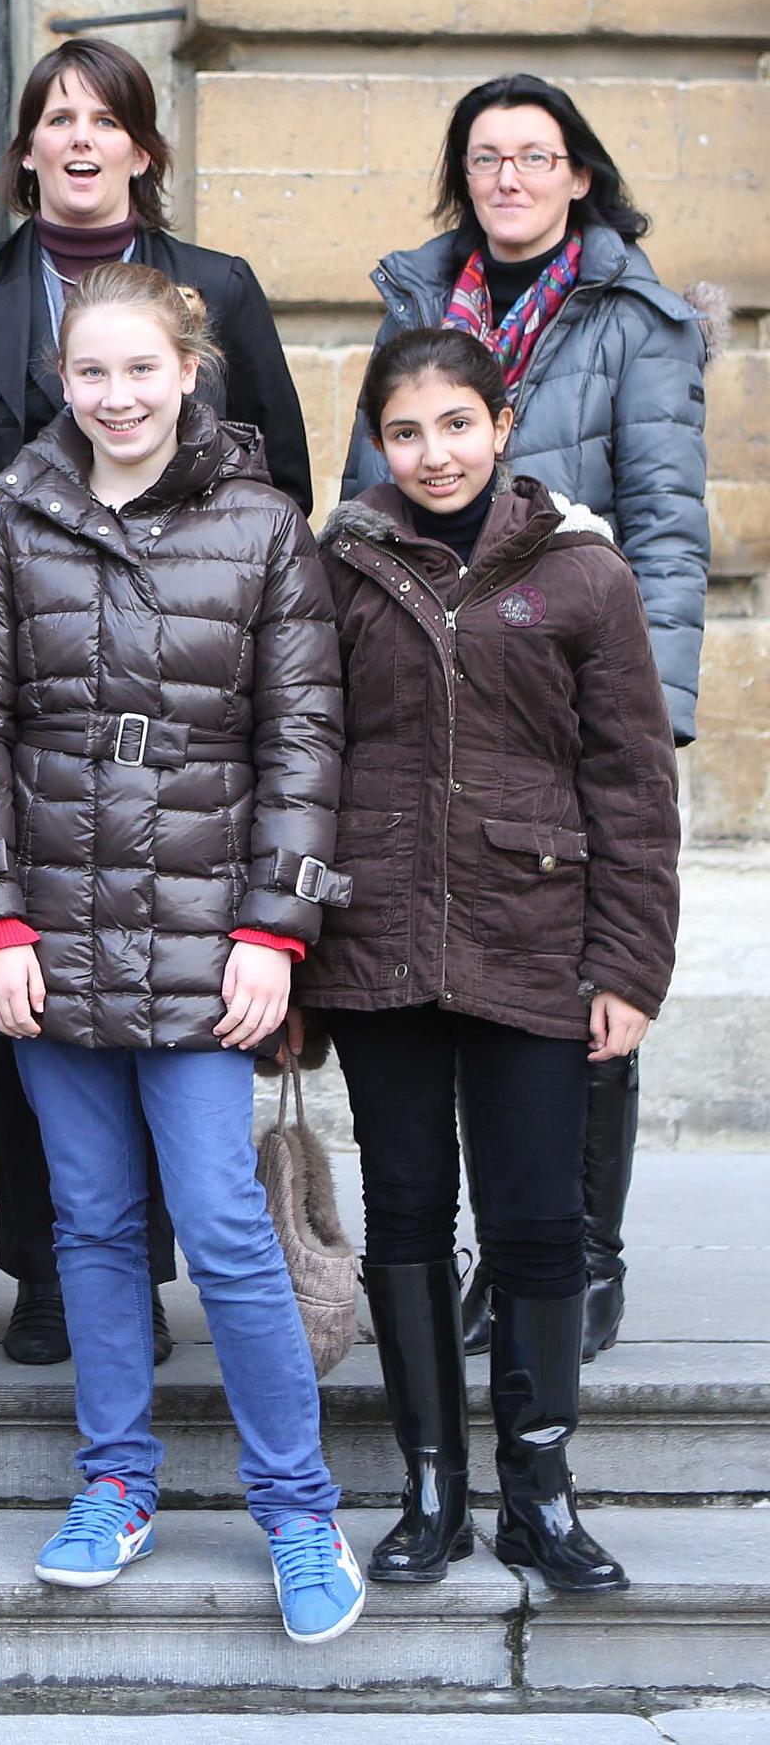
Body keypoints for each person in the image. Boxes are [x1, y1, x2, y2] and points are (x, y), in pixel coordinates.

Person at [0, 262, 362, 1646]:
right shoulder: (12, 517)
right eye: (90, 373)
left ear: (191, 371)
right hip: (48, 932)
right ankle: (114, 1480)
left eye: (139, 371)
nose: (115, 397)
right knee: (97, 1227)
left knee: (228, 1231)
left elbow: (303, 739)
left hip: (201, 926)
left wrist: (274, 928)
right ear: (62, 378)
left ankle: (298, 1508)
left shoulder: (261, 525)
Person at [0, 38, 312, 1368]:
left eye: (106, 119)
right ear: (24, 148)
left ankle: (156, 1264)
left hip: (190, 704)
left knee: (175, 1014)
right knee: (35, 995)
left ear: (144, 146)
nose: (79, 139)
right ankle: (54, 1264)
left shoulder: (223, 288)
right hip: (26, 677)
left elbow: (283, 494)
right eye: (55, 118)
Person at [340, 75, 714, 1361]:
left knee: (581, 994)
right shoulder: (411, 296)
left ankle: (578, 1255)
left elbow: (666, 528)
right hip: (431, 687)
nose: (507, 178)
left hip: (571, 676)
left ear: (576, 175)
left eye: (532, 157)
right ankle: (482, 1261)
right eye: (484, 157)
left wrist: (646, 712)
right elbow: (358, 503)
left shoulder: (635, 318)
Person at [304, 329, 680, 1594]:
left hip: (535, 936)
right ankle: (429, 1489)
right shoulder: (342, 566)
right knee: (404, 1212)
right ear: (376, 440)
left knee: (536, 1221)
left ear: (501, 423)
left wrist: (627, 966)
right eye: (404, 432)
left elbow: (632, 784)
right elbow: (299, 758)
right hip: (382, 940)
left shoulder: (581, 575)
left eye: (454, 425)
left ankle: (539, 1490)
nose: (432, 454)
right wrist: (296, 952)